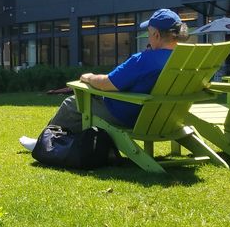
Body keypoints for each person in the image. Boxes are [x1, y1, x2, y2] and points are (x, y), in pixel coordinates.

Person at [20, 9, 188, 150]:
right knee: (85, 103)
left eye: (149, 34)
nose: (148, 38)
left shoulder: (145, 60)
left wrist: (89, 77)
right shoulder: (186, 60)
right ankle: (68, 144)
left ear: (157, 35)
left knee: (72, 104)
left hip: (128, 115)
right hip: (165, 118)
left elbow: (107, 84)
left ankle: (44, 144)